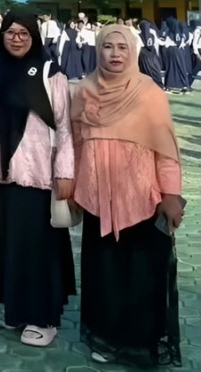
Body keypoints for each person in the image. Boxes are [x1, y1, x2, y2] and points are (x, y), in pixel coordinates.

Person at [70, 25, 183, 368]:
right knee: (103, 273)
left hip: (142, 199)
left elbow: (165, 149)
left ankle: (139, 344)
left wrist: (171, 194)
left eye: (122, 47)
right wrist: (73, 186)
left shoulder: (149, 93)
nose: (115, 54)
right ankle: (105, 339)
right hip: (97, 199)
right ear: (98, 50)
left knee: (141, 275)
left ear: (132, 52)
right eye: (108, 46)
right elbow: (75, 145)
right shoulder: (84, 91)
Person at [0, 9, 76, 347]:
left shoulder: (50, 74)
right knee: (12, 245)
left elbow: (64, 127)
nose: (16, 39)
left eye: (24, 33)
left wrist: (65, 172)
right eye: (10, 32)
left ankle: (43, 317)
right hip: (6, 175)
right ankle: (16, 309)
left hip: (40, 175)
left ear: (34, 36)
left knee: (39, 248)